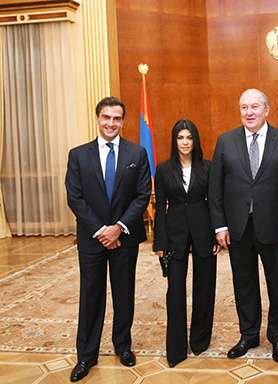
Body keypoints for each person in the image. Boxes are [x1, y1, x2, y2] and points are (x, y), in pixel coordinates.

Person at [208, 88, 278, 363]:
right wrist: (219, 226)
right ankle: (249, 334)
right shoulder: (225, 141)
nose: (249, 113)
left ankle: (277, 337)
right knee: (244, 282)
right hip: (237, 227)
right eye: (244, 108)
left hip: (274, 226)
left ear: (266, 110)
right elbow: (216, 188)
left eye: (254, 107)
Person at [65, 97, 151, 382]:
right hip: (93, 239)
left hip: (125, 237)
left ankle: (123, 347)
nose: (111, 123)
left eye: (116, 118)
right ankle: (86, 356)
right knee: (91, 296)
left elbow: (142, 195)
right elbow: (75, 197)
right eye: (106, 117)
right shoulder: (78, 155)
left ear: (123, 121)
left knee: (124, 293)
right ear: (97, 118)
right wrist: (102, 230)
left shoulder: (137, 153)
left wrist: (119, 227)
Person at [153, 119, 220, 367]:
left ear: (195, 140)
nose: (185, 142)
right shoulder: (163, 169)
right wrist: (159, 241)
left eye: (189, 137)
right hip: (174, 235)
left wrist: (216, 234)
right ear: (174, 140)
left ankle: (200, 341)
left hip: (204, 233)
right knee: (175, 291)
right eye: (180, 138)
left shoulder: (207, 167)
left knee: (204, 288)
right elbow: (160, 206)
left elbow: (214, 202)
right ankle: (176, 348)